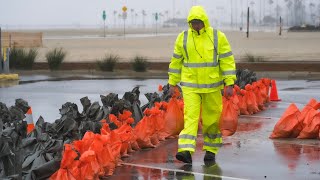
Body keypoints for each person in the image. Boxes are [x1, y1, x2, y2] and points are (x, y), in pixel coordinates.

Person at [168, 6, 236, 164]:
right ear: (189, 23)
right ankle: (185, 150)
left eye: (198, 22)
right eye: (193, 23)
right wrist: (172, 82)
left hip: (212, 86)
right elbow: (176, 61)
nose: (196, 25)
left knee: (211, 119)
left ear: (204, 21)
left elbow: (227, 60)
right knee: (190, 118)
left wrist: (230, 82)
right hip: (191, 86)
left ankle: (211, 150)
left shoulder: (217, 36)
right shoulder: (183, 37)